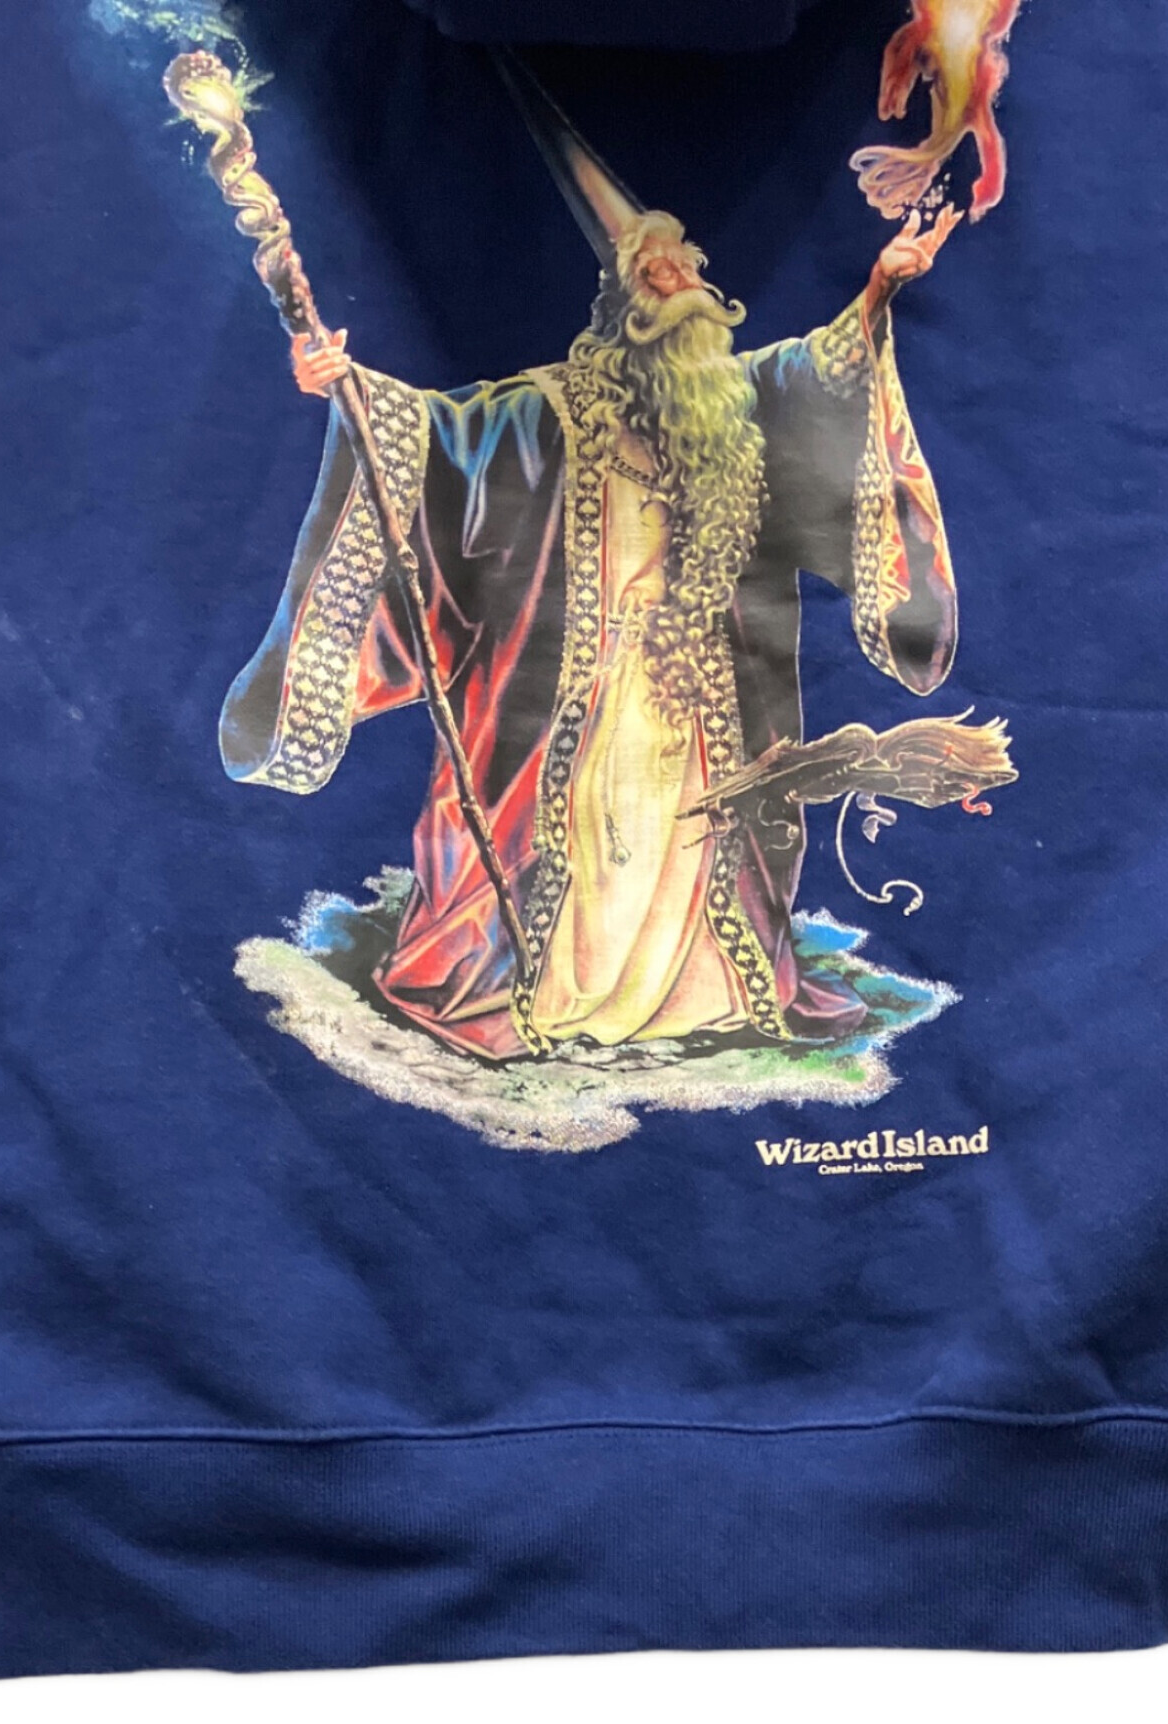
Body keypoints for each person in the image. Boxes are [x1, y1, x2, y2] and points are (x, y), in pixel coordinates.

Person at [220, 104, 961, 1063]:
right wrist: (349, 388)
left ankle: (696, 992)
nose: (684, 284)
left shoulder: (735, 409)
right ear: (625, 309)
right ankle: (558, 992)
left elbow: (819, 377)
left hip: (698, 693)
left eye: (691, 272)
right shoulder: (547, 413)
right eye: (659, 274)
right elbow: (442, 436)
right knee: (583, 830)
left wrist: (879, 288)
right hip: (583, 687)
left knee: (689, 838)